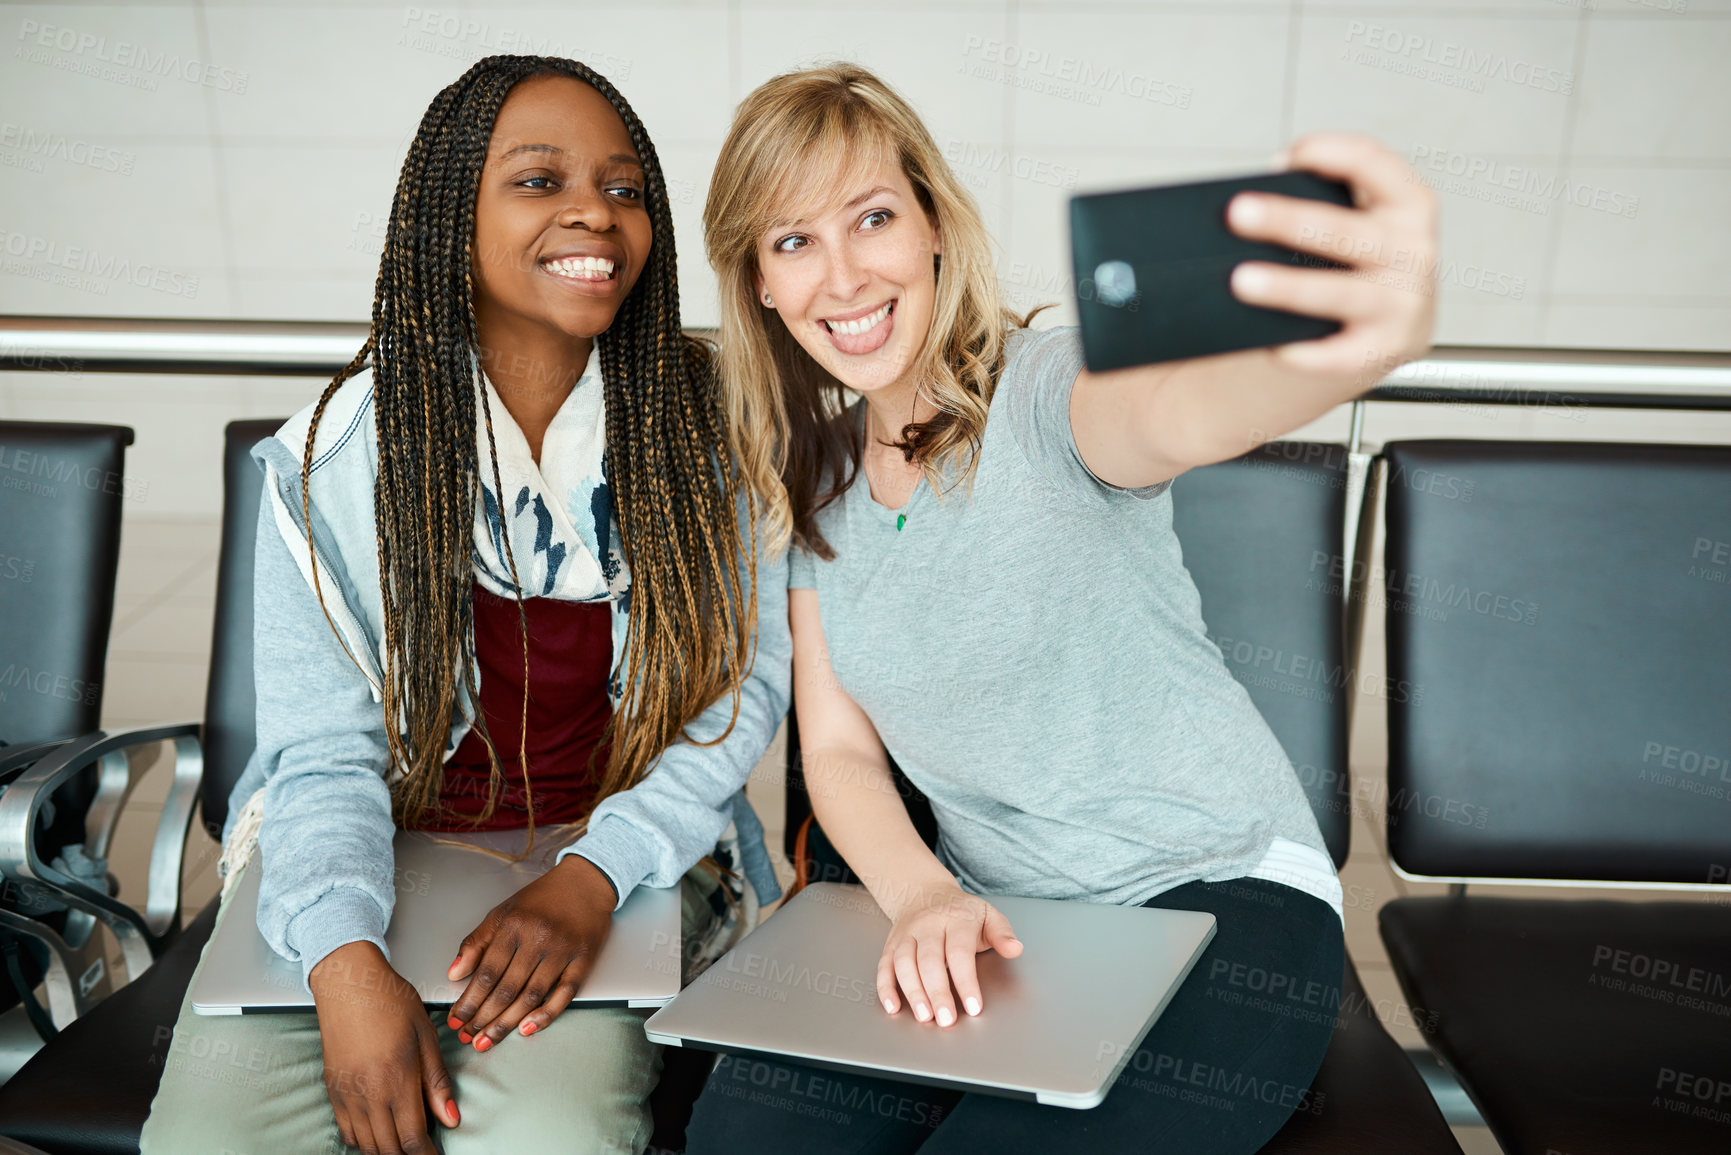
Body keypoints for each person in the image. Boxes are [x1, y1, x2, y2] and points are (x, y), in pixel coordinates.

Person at [683, 63, 1437, 1154]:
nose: (841, 276)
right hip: (1005, 911)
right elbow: (838, 748)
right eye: (793, 241)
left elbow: (1179, 410)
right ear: (759, 282)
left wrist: (1338, 351)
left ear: (934, 225)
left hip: (1218, 890)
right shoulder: (816, 490)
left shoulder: (1046, 392)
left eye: (873, 219)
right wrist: (923, 897)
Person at [141, 55, 790, 1155]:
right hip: (374, 846)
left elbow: (741, 697)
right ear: (451, 216)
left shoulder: (712, 439)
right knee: (211, 1136)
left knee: (554, 1131)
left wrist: (591, 879)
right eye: (540, 181)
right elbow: (322, 756)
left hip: (615, 853)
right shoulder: (328, 463)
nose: (596, 209)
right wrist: (343, 963)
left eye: (626, 188)